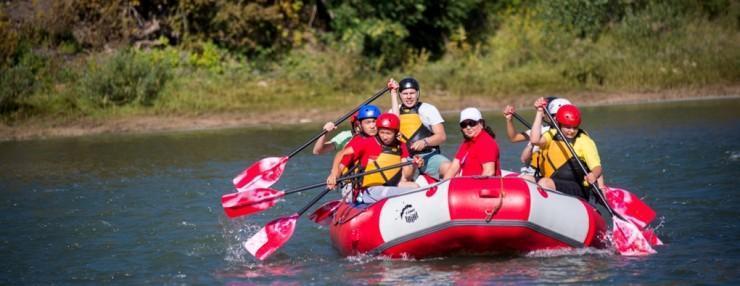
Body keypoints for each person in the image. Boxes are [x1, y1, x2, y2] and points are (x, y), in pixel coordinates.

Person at [326, 113, 422, 203]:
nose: (384, 137)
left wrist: (414, 164)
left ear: (395, 132)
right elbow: (341, 154)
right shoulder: (367, 143)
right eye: (382, 132)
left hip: (390, 184)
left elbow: (407, 175)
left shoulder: (401, 145)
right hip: (370, 189)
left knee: (416, 187)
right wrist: (334, 174)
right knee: (407, 193)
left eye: (388, 133)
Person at [530, 97, 603, 200]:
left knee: (544, 182)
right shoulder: (552, 134)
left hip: (577, 187)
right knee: (525, 178)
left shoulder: (584, 141)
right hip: (553, 182)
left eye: (575, 127)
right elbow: (534, 140)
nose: (572, 131)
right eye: (568, 127)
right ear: (559, 125)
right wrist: (539, 112)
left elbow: (597, 167)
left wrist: (593, 175)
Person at [387, 77, 451, 179]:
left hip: (427, 156)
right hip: (405, 158)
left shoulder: (428, 109)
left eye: (412, 93)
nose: (409, 97)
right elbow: (394, 124)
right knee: (403, 174)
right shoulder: (393, 112)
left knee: (449, 168)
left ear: (418, 93)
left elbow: (441, 136)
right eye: (405, 93)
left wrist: (425, 142)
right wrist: (393, 93)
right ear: (400, 95)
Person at [503, 97, 572, 181]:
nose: (554, 118)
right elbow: (514, 138)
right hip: (533, 174)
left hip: (550, 177)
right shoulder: (540, 130)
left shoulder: (572, 134)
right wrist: (509, 120)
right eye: (553, 115)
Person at [443, 107, 501, 179]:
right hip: (468, 185)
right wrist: (444, 185)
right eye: (464, 125)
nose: (468, 127)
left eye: (471, 123)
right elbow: (453, 168)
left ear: (481, 123)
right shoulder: (467, 142)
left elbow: (489, 172)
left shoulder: (486, 142)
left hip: (482, 187)